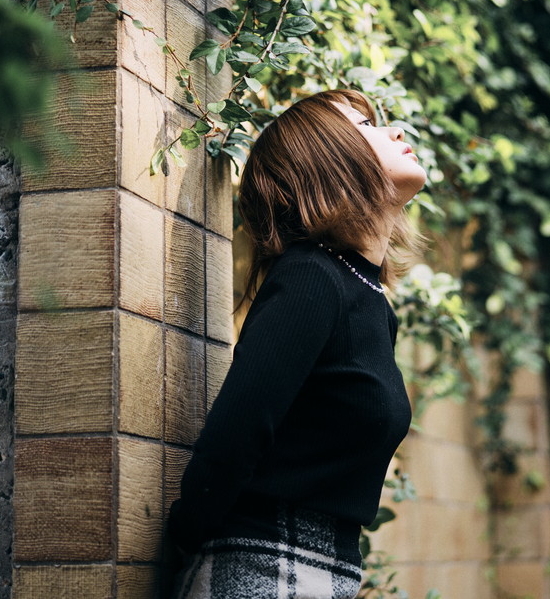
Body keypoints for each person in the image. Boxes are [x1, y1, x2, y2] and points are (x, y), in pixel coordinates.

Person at [167, 88, 427, 599]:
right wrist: (187, 533)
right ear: (327, 160)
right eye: (365, 127)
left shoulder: (372, 302)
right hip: (261, 569)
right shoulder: (311, 278)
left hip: (326, 574)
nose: (395, 131)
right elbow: (236, 432)